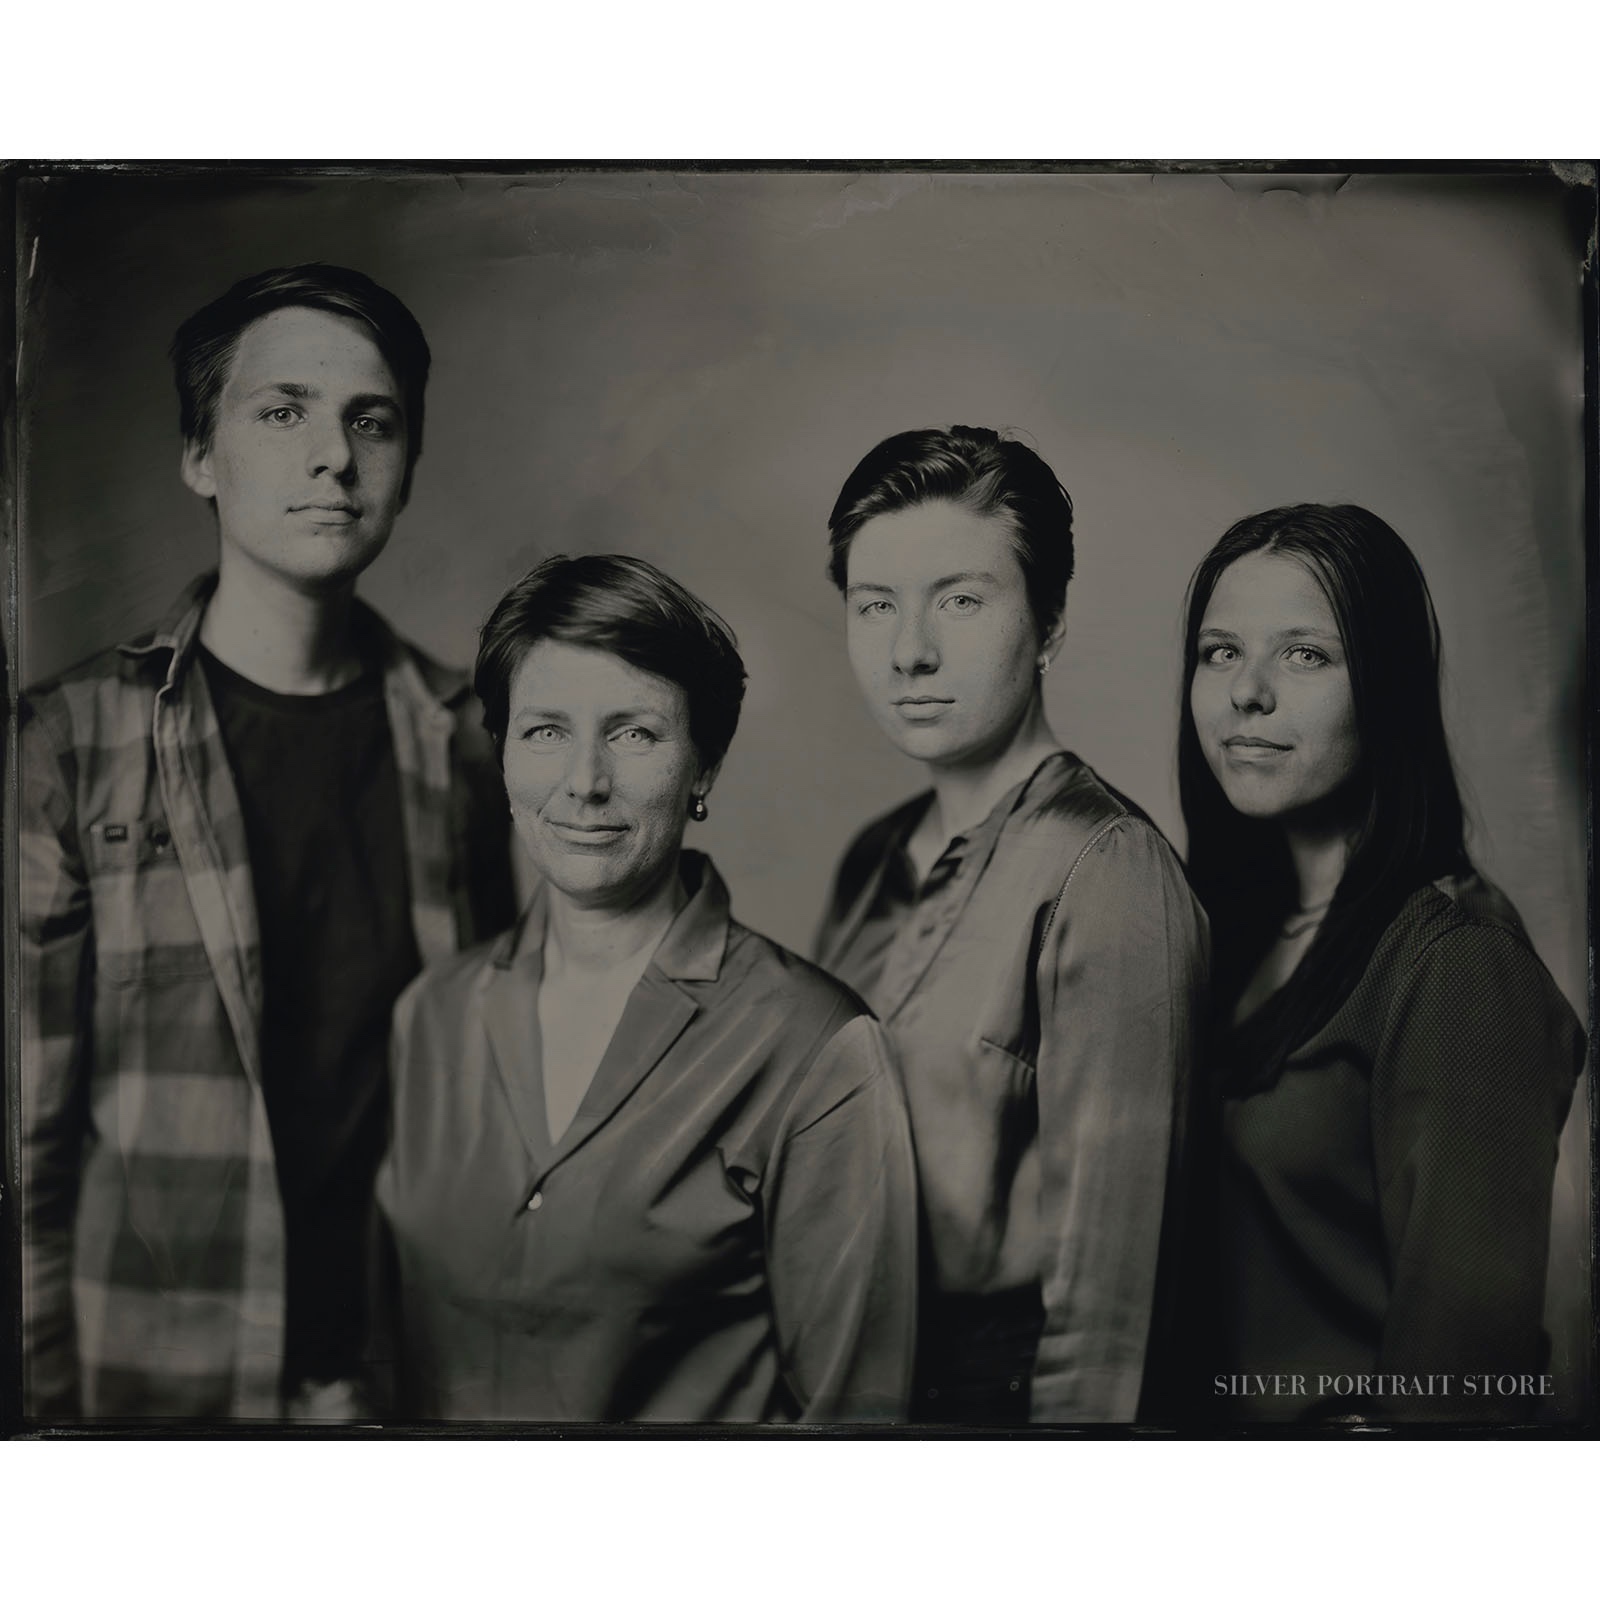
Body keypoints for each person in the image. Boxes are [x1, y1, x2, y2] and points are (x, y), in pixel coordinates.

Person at [17, 264, 516, 1420]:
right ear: (202, 456)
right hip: (158, 1393)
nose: (333, 455)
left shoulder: (463, 743)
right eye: (281, 411)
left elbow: (483, 1107)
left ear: (406, 463)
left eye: (371, 421)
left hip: (406, 1381)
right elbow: (26, 1154)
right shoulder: (70, 742)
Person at [370, 553, 918, 1423]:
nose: (585, 783)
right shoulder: (428, 1019)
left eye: (635, 733)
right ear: (504, 756)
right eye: (546, 730)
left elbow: (858, 1423)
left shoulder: (816, 1047)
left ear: (702, 768)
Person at [813, 425, 1207, 1425]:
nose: (910, 650)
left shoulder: (1104, 867)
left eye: (959, 599)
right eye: (875, 606)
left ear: (1049, 622)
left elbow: (1111, 1316)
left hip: (1000, 1408)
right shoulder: (872, 858)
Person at [1180, 503, 1586, 1422]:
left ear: (1390, 687)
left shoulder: (1457, 963)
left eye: (1305, 655)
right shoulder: (1232, 931)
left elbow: (1460, 1387)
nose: (1248, 692)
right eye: (1219, 652)